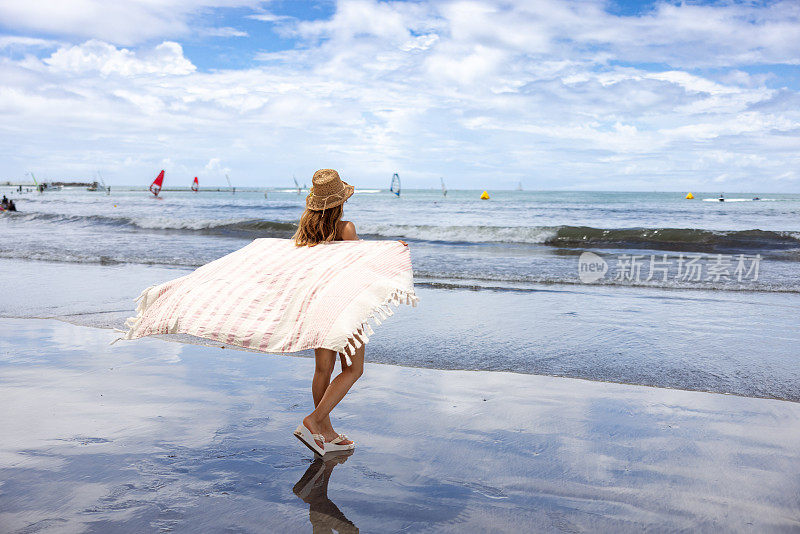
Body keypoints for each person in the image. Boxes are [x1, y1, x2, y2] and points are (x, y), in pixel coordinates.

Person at [292, 169, 406, 456]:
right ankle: (314, 420)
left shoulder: (306, 232)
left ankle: (325, 433)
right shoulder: (346, 229)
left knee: (323, 369)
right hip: (343, 306)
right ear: (339, 202)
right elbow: (362, 266)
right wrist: (393, 251)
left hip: (316, 304)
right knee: (354, 369)